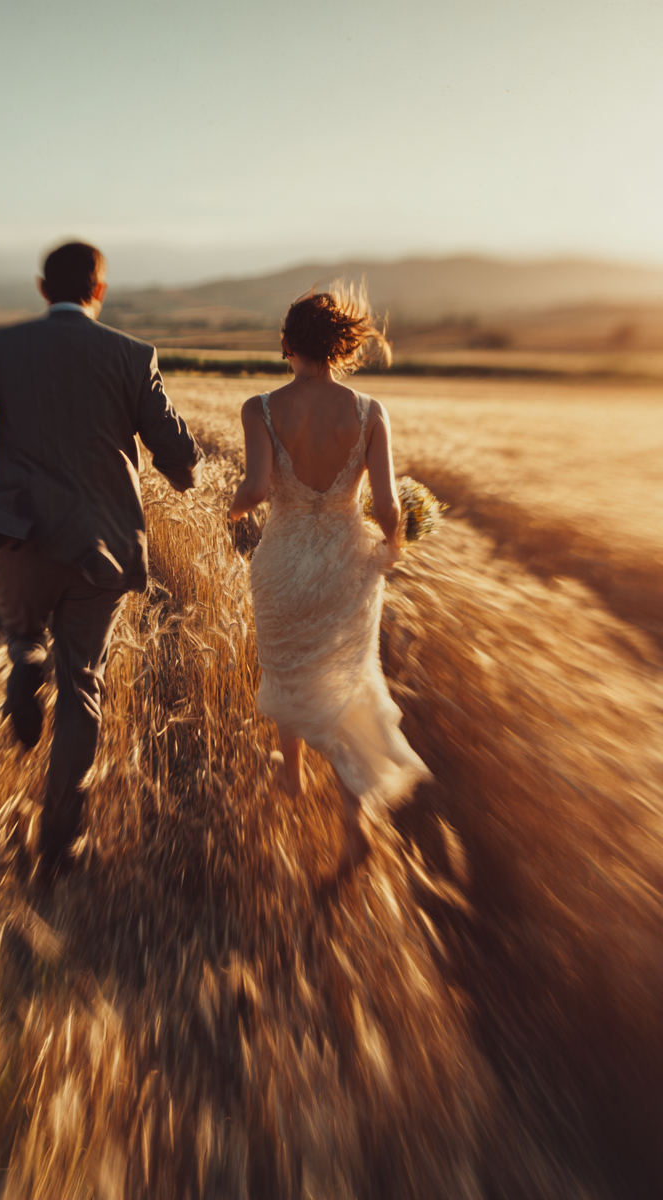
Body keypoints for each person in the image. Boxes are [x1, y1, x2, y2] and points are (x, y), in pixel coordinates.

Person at [0, 242, 203, 880]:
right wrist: (183, 467)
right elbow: (174, 449)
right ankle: (60, 842)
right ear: (99, 291)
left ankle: (24, 655)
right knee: (82, 681)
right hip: (101, 545)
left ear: (40, 287)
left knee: (23, 629)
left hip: (19, 536)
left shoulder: (2, 347)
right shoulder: (132, 356)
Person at [228, 287, 430, 873]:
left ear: (286, 343)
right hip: (348, 559)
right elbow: (388, 505)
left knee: (287, 662)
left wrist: (232, 509)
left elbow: (257, 489)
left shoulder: (259, 408)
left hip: (285, 556)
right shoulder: (371, 412)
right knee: (344, 679)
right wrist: (391, 548)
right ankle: (352, 818)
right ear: (341, 347)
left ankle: (290, 772)